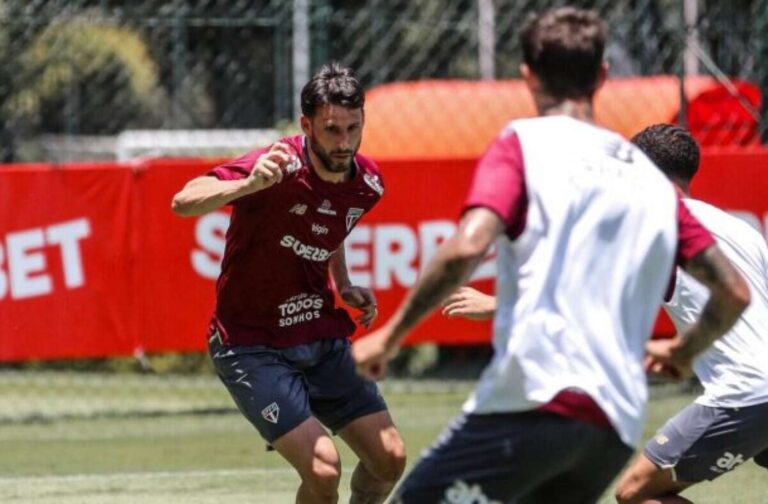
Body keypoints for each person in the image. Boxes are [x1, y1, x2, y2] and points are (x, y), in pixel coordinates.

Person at [352, 8, 750, 504]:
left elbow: (467, 248)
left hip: (534, 401)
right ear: (603, 75)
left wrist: (390, 335)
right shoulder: (647, 177)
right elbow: (733, 290)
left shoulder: (522, 144)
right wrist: (684, 352)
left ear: (528, 77)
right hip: (613, 427)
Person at [171, 62, 406, 504]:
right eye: (332, 130)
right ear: (307, 125)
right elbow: (183, 201)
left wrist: (343, 281)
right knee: (324, 468)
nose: (344, 142)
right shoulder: (277, 166)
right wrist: (247, 185)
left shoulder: (368, 184)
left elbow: (331, 222)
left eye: (353, 128)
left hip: (319, 334)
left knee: (389, 458)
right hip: (250, 344)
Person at [613, 124, 768, 503]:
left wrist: (498, 305)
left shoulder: (658, 225)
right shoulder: (738, 228)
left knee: (634, 493)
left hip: (746, 391)